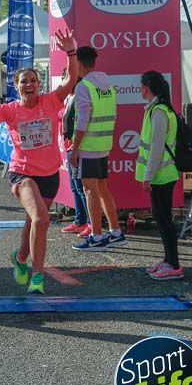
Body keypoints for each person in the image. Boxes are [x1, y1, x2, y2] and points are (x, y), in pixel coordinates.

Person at [0, 30, 78, 294]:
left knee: (34, 222)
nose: (29, 84)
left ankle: (20, 258)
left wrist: (71, 53)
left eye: (33, 80)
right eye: (23, 82)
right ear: (16, 86)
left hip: (49, 175)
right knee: (42, 220)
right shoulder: (10, 109)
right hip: (23, 174)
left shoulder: (51, 101)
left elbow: (72, 78)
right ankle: (38, 277)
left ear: (38, 84)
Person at [69, 46, 125, 252]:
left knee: (90, 190)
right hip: (103, 145)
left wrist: (75, 150)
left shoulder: (84, 86)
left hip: (89, 146)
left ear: (79, 63)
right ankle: (116, 232)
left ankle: (97, 237)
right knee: (102, 189)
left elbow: (82, 120)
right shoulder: (107, 85)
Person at [136, 71, 184, 281]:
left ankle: (173, 264)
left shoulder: (159, 112)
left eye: (141, 86)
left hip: (162, 176)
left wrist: (148, 175)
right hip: (162, 174)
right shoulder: (158, 109)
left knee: (164, 220)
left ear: (147, 87)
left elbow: (156, 148)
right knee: (162, 219)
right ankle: (168, 261)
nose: (140, 90)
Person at [60, 76, 92, 237]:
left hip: (76, 147)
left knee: (81, 187)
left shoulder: (79, 98)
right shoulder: (69, 98)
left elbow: (81, 124)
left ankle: (91, 223)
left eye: (67, 78)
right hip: (69, 146)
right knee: (75, 187)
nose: (64, 82)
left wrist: (76, 147)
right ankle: (80, 220)